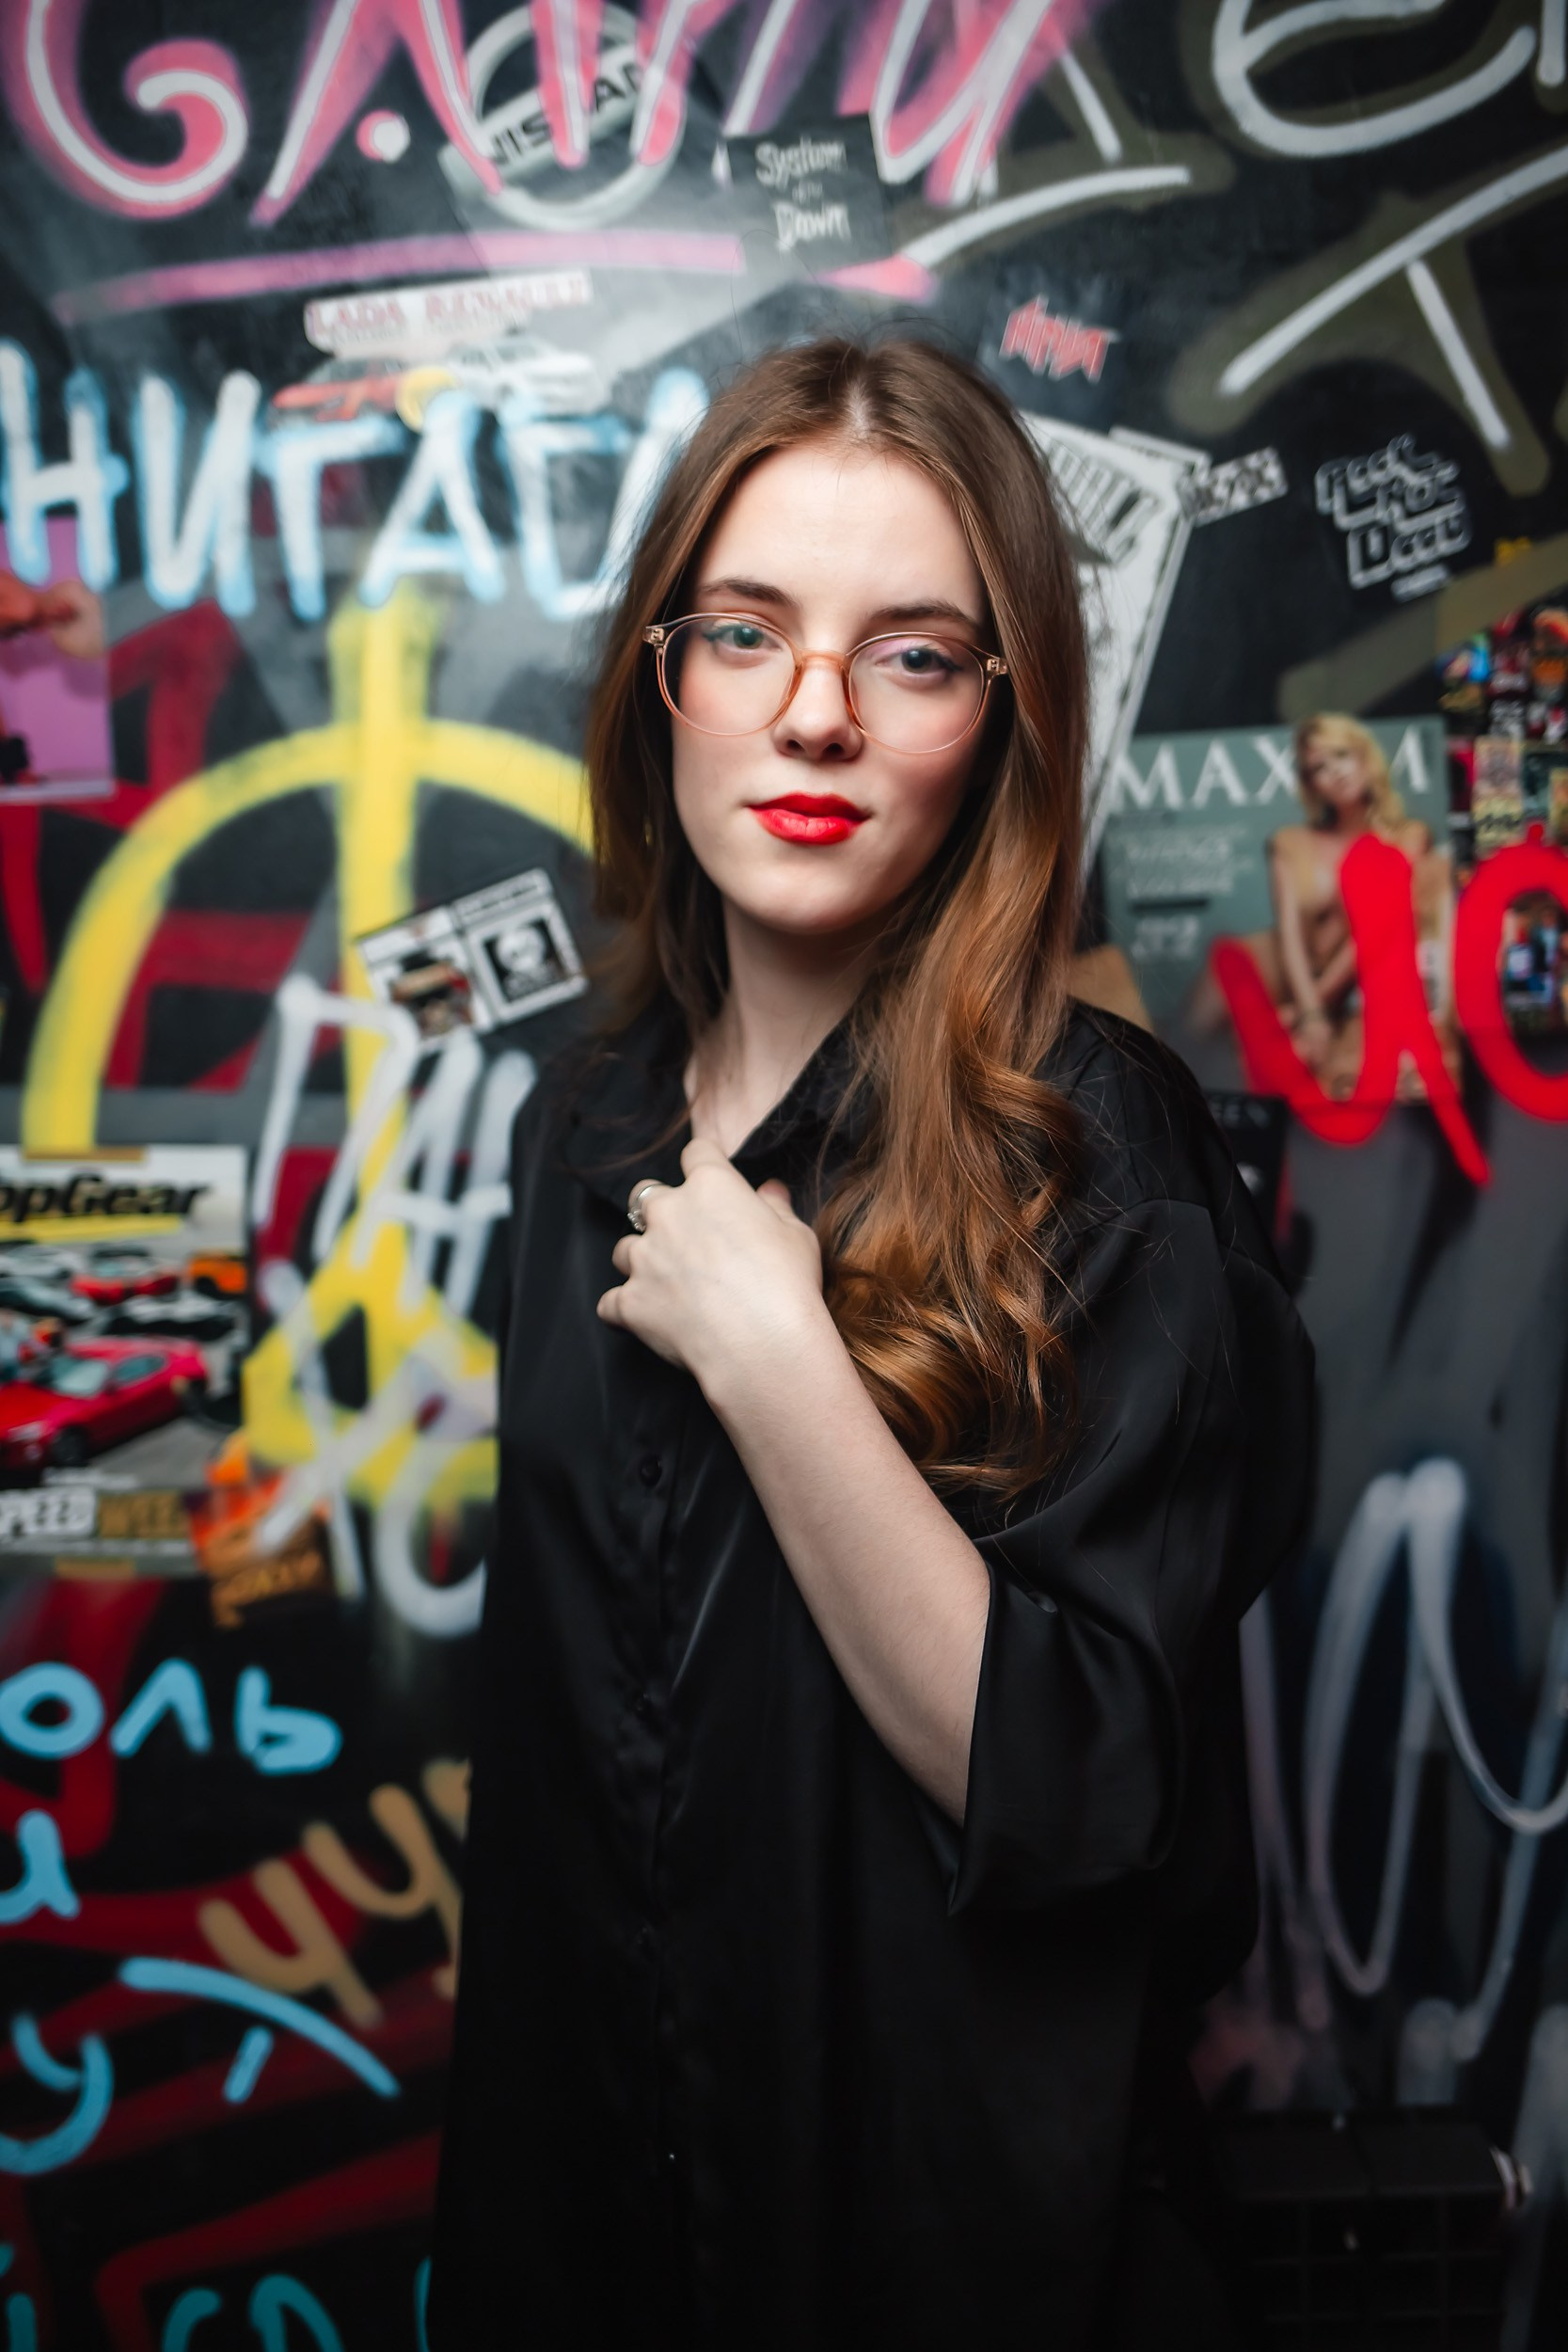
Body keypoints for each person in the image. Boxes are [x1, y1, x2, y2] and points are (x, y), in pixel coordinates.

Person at [428, 336, 1315, 2350]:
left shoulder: (1094, 1154)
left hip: (950, 2269)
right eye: (746, 632)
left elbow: (1084, 1810)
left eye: (911, 655)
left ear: (1000, 720)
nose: (813, 713)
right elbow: (567, 1781)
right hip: (598, 2236)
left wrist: (781, 1367)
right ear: (661, 676)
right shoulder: (587, 1128)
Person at [1214, 713, 1453, 1102]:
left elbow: (1374, 934)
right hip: (1292, 990)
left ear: (1364, 757)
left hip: (1352, 999)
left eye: (1341, 755)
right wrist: (1307, 1011)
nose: (1336, 773)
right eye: (1319, 768)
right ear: (1312, 786)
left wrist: (1312, 1011)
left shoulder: (1407, 838)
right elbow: (1289, 933)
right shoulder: (1290, 843)